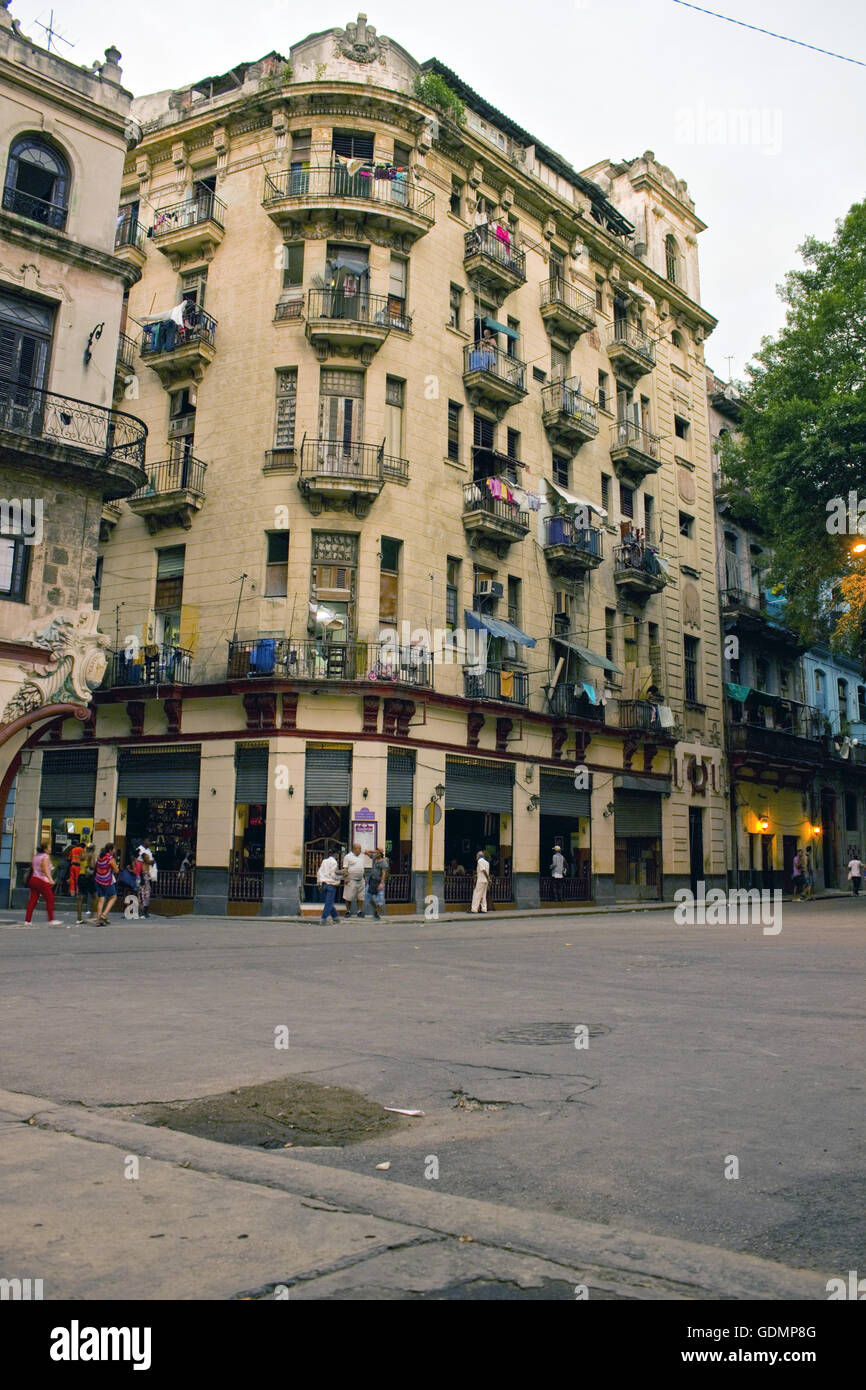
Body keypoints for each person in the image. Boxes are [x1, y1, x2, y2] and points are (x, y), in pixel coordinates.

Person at [24, 843, 62, 926]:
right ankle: (51, 919)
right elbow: (45, 869)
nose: (50, 849)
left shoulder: (36, 856)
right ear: (45, 849)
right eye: (49, 847)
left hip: (33, 879)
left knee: (32, 900)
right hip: (41, 880)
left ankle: (27, 920)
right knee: (50, 899)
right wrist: (50, 879)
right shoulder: (45, 856)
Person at [94, 844, 119, 925]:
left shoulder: (100, 857)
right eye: (114, 849)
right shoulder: (110, 858)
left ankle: (98, 919)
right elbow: (116, 870)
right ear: (110, 850)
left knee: (101, 899)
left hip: (98, 880)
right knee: (113, 897)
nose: (115, 851)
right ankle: (104, 914)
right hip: (107, 881)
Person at [341, 842, 368, 918]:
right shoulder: (348, 857)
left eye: (360, 848)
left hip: (361, 879)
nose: (359, 850)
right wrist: (346, 878)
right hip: (351, 879)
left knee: (361, 896)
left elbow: (363, 868)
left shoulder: (362, 856)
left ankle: (359, 911)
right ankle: (348, 911)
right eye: (358, 848)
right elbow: (345, 868)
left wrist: (364, 878)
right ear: (353, 849)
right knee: (348, 896)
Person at [364, 848, 389, 919]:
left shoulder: (384, 862)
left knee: (380, 899)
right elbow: (366, 852)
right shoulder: (375, 858)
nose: (376, 854)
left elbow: (384, 873)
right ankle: (375, 909)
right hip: (372, 880)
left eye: (378, 853)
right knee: (368, 897)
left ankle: (377, 912)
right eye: (376, 853)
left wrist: (381, 883)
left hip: (379, 881)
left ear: (381, 854)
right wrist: (375, 851)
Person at [317, 851, 340, 923]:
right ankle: (323, 918)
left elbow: (319, 872)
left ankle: (335, 916)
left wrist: (319, 882)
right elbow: (333, 874)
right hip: (331, 884)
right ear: (335, 855)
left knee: (328, 901)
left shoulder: (324, 861)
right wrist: (340, 878)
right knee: (329, 902)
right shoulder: (334, 862)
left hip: (323, 883)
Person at [471, 849, 490, 914]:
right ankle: (484, 908)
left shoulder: (480, 861)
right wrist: (488, 879)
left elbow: (483, 870)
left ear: (479, 856)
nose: (476, 856)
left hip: (481, 879)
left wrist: (488, 877)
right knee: (483, 895)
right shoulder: (487, 862)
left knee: (477, 894)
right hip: (485, 881)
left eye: (477, 855)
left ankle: (474, 909)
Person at [138, 849, 154, 919]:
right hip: (142, 882)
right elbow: (141, 874)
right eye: (147, 857)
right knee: (142, 898)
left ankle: (145, 912)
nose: (148, 858)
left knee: (147, 898)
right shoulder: (141, 864)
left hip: (147, 883)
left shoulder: (148, 865)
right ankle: (141, 912)